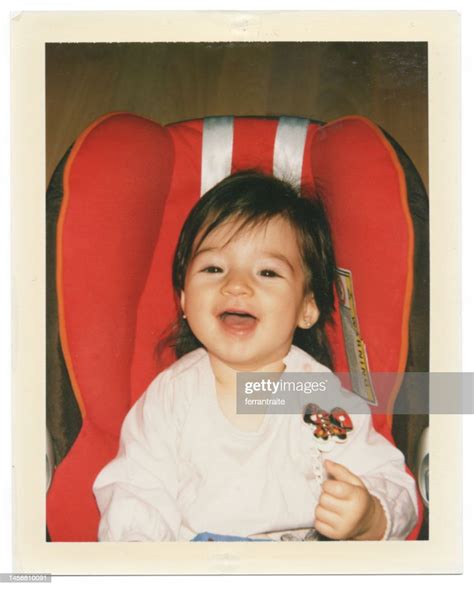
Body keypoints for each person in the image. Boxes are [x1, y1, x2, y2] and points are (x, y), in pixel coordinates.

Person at [93, 171, 418, 542]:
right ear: (183, 299)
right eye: (213, 268)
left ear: (307, 308)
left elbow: (389, 480)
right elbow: (137, 490)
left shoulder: (316, 397)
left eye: (267, 272)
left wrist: (371, 516)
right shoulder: (172, 396)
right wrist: (140, 556)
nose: (236, 285)